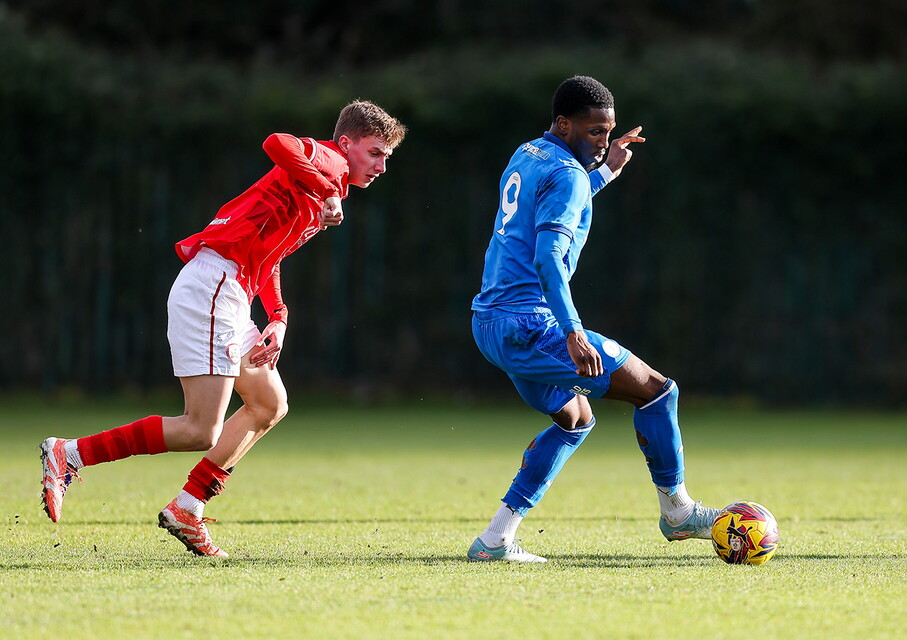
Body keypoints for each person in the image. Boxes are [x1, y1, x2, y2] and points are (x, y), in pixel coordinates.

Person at [39, 100, 407, 558]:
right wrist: (326, 188)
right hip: (214, 285)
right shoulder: (326, 160)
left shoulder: (329, 187)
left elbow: (269, 259)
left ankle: (188, 508)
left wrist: (279, 318)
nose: (381, 165)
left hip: (232, 292)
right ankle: (69, 454)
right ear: (347, 143)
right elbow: (277, 143)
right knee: (199, 429)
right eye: (375, 153)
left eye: (387, 157)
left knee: (270, 404)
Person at [467, 76, 719, 563]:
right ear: (564, 124)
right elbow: (547, 258)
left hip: (490, 321)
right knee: (657, 390)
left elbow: (554, 199)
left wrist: (605, 173)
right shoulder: (570, 175)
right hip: (530, 325)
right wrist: (573, 331)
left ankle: (495, 540)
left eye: (609, 131)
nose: (603, 143)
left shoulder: (528, 153)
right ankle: (678, 512)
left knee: (575, 418)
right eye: (594, 132)